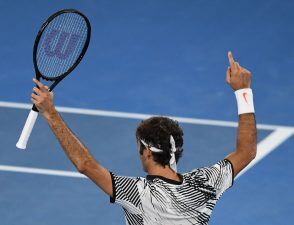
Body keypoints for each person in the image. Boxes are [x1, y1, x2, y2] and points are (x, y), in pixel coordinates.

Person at [30, 51, 256, 225]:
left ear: (147, 152)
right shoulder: (205, 184)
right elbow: (246, 152)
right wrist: (243, 91)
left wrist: (50, 113)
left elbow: (85, 164)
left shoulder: (139, 195)